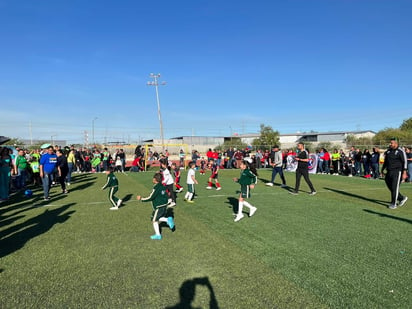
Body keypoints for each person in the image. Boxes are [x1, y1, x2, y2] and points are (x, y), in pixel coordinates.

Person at [136, 172, 175, 240]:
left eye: (153, 178)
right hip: (164, 206)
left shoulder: (156, 188)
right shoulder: (163, 186)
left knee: (154, 220)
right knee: (155, 219)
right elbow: (167, 195)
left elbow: (151, 197)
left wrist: (141, 199)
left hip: (158, 207)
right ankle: (167, 221)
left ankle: (159, 233)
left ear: (155, 179)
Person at [381, 138, 408, 209]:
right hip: (389, 171)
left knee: (394, 187)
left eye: (391, 143)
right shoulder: (388, 151)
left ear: (396, 143)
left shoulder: (400, 151)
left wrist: (404, 172)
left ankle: (393, 203)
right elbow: (386, 161)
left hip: (397, 171)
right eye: (390, 143)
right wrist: (382, 169)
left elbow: (405, 162)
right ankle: (402, 198)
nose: (390, 144)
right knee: (390, 186)